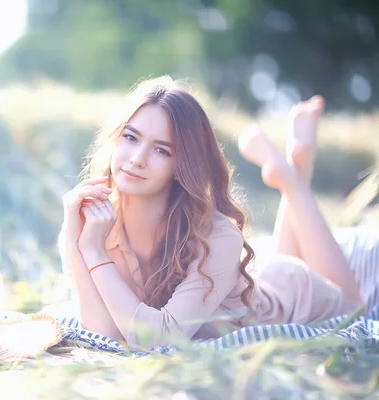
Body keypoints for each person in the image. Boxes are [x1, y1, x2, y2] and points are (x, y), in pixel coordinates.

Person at [58, 76, 365, 351]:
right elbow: (107, 334)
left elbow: (160, 339)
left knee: (356, 309)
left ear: (183, 167)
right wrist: (77, 242)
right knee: (282, 263)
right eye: (130, 137)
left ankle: (294, 179)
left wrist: (95, 254)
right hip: (250, 287)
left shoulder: (217, 235)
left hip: (294, 298)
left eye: (161, 150)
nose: (137, 159)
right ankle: (294, 169)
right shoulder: (94, 225)